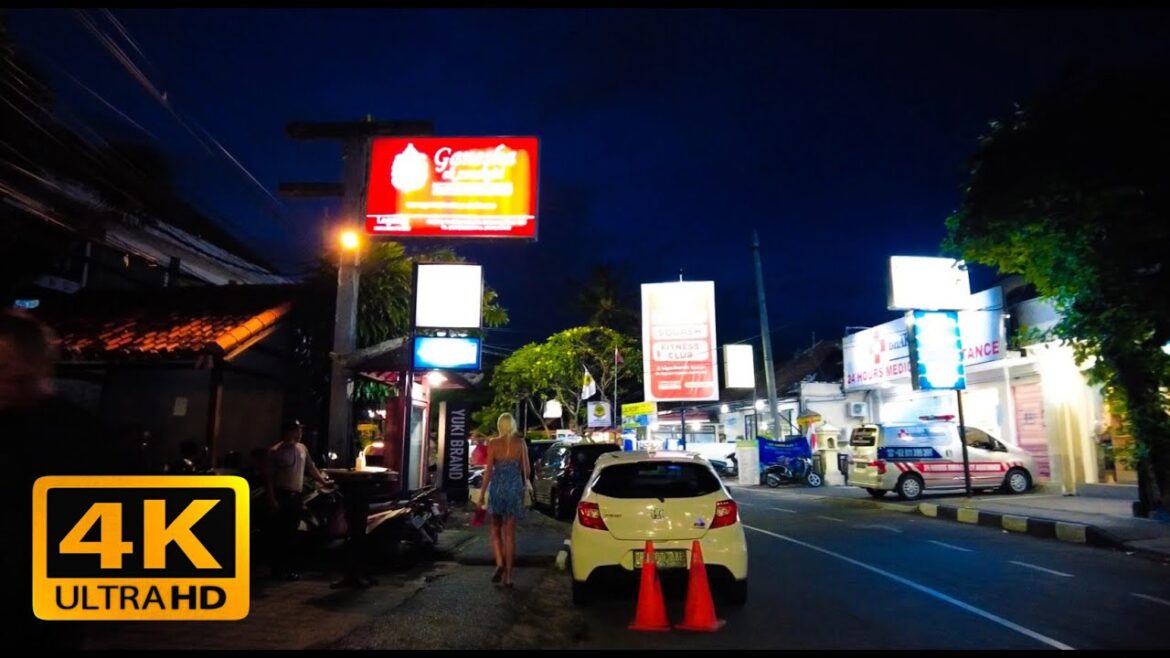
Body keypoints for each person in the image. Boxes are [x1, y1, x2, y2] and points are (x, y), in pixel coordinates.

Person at [0, 310, 121, 649]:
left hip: (46, 611)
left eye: (11, 370)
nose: (7, 380)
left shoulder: (79, 434)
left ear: (38, 366)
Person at [265, 419, 332, 581]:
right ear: (287, 432)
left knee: (292, 533)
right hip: (283, 495)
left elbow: (311, 467)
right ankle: (277, 569)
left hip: (296, 495)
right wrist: (272, 498)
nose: (299, 433)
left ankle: (288, 568)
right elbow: (269, 477)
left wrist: (323, 482)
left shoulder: (302, 449)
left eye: (300, 430)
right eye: (296, 430)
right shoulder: (276, 451)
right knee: (281, 534)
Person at [477, 412, 531, 588]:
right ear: (513, 425)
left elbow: (488, 472)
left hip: (498, 488)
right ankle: (508, 577)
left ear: (500, 426)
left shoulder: (493, 443)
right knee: (510, 535)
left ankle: (499, 562)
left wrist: (481, 494)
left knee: (494, 529)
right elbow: (527, 471)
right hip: (514, 488)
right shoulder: (520, 443)